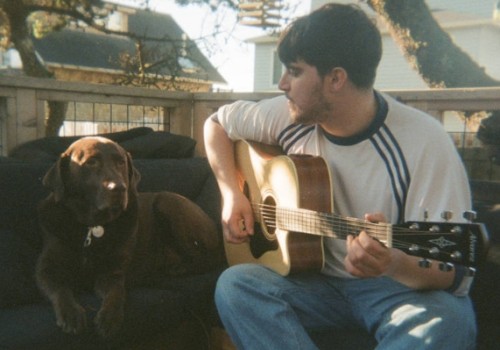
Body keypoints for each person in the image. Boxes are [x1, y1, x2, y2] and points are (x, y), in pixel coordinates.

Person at [203, 3, 476, 349]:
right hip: (314, 285)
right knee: (236, 285)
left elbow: (453, 268)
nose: (282, 83)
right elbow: (215, 125)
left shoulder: (423, 141)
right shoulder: (288, 116)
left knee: (449, 320)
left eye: (295, 71)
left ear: (335, 79)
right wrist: (232, 194)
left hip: (395, 291)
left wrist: (390, 261)